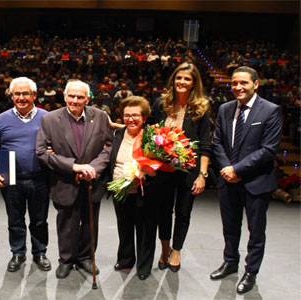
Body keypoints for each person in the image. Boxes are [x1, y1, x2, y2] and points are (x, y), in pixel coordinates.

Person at [210, 66, 282, 294]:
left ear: (256, 84)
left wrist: (237, 169)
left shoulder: (271, 110)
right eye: (234, 83)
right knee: (230, 227)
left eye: (243, 83)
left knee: (256, 231)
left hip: (256, 181)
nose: (238, 87)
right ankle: (230, 262)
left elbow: (268, 150)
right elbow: (217, 143)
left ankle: (251, 271)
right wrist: (226, 169)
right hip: (227, 180)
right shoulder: (225, 108)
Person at [36, 80, 112, 279]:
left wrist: (93, 168)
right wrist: (74, 167)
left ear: (88, 98)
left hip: (92, 182)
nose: (75, 100)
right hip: (64, 181)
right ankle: (66, 260)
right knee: (66, 224)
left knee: (90, 222)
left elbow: (109, 147)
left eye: (80, 97)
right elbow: (42, 152)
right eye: (72, 96)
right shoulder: (50, 119)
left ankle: (86, 257)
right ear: (65, 96)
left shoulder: (101, 117)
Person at [0, 77, 51, 273]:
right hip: (10, 178)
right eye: (17, 94)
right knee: (15, 220)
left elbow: (57, 144)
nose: (21, 97)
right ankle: (18, 253)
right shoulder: (1, 119)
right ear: (11, 96)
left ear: (34, 95)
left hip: (40, 179)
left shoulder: (47, 117)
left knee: (39, 220)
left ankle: (40, 253)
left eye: (26, 93)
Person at [147, 62, 211, 272]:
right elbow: (149, 134)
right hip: (163, 170)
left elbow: (204, 145)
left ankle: (176, 250)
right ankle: (164, 249)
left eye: (187, 79)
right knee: (162, 211)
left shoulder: (201, 108)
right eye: (179, 78)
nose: (182, 82)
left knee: (183, 213)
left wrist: (202, 175)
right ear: (173, 80)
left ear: (194, 83)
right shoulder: (160, 104)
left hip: (188, 170)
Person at [110, 96, 157, 280]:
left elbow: (158, 164)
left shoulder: (153, 137)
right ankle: (125, 259)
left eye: (136, 115)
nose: (131, 119)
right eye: (127, 115)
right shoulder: (118, 135)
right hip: (120, 191)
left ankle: (144, 266)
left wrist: (147, 172)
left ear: (144, 117)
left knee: (145, 230)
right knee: (124, 227)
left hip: (145, 191)